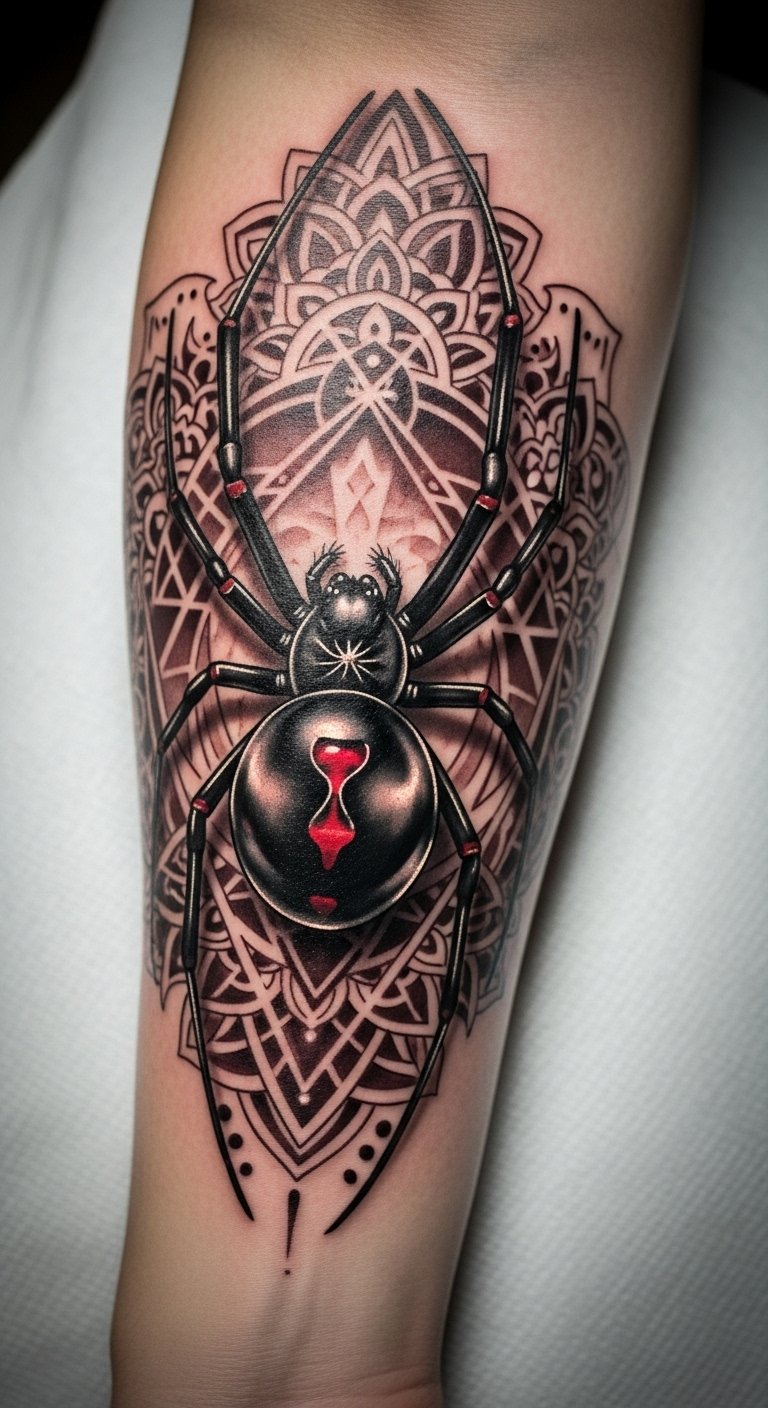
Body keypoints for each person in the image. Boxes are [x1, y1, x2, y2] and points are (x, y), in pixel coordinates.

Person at [111, 3, 703, 1404]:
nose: (353, 590)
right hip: (365, 788)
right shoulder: (422, 657)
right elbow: (495, 562)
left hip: (316, 781)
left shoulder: (264, 644)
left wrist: (287, 1350)